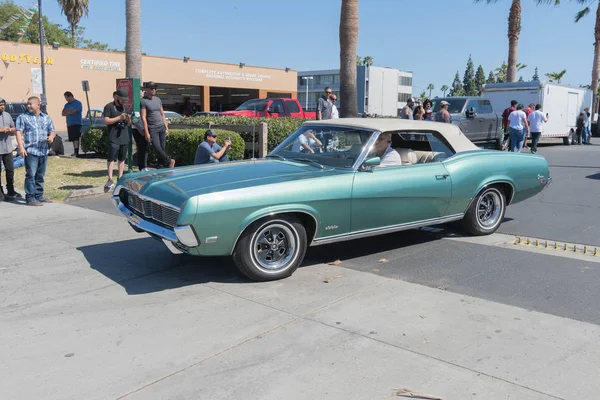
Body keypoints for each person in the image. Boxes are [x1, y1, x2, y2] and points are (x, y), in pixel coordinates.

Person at [15, 96, 56, 206]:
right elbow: (18, 132)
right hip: (31, 151)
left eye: (30, 104)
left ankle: (39, 195)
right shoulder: (23, 117)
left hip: (43, 151)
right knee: (31, 175)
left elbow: (52, 131)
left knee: (40, 175)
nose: (28, 106)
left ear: (38, 105)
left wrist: (51, 137)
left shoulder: (46, 117)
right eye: (27, 104)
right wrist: (21, 148)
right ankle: (30, 198)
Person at [140, 81, 175, 169]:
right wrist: (147, 132)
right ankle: (169, 161)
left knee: (162, 148)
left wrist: (166, 127)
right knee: (157, 147)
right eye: (151, 88)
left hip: (161, 127)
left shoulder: (157, 99)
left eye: (154, 88)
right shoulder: (143, 101)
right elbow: (143, 117)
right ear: (146, 90)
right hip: (152, 128)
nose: (153, 90)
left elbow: (162, 114)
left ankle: (160, 166)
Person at [103, 90, 131, 192]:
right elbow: (106, 121)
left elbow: (128, 124)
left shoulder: (125, 108)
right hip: (113, 136)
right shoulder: (109, 106)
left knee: (122, 159)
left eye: (125, 100)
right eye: (122, 99)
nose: (124, 101)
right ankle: (110, 179)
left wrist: (128, 119)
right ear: (117, 97)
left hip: (124, 135)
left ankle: (120, 177)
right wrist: (119, 117)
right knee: (111, 158)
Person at [0, 97, 21, 201]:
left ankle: (11, 190)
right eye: (0, 105)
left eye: (3, 104)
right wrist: (2, 129)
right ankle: (0, 192)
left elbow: (13, 127)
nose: (2, 107)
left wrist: (12, 129)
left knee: (10, 170)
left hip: (7, 148)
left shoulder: (7, 115)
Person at [61, 91, 83, 157]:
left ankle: (76, 152)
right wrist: (69, 111)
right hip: (69, 124)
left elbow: (75, 111)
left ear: (70, 96)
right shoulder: (66, 105)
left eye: (66, 98)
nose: (66, 99)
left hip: (76, 123)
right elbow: (63, 113)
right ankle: (74, 151)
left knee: (76, 138)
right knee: (72, 139)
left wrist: (68, 111)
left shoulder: (78, 103)